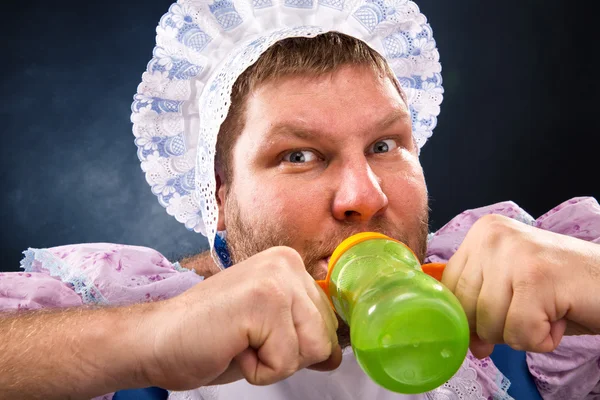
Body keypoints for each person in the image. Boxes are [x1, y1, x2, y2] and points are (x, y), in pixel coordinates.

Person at [1, 1, 599, 400]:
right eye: (298, 155)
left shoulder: (530, 310)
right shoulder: (130, 321)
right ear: (220, 196)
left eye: (386, 144)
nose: (366, 196)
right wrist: (146, 339)